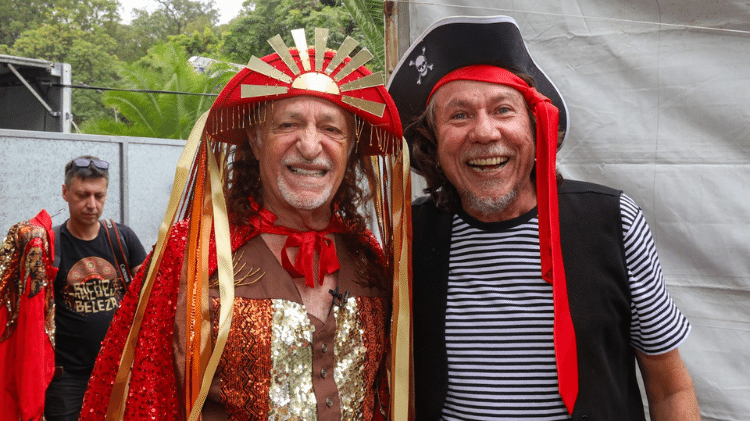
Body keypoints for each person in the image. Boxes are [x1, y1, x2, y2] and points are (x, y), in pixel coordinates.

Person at [80, 27, 408, 420]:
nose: (309, 145)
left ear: (351, 147)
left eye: (331, 128)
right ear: (254, 139)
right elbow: (142, 393)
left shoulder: (371, 257)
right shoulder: (194, 252)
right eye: (287, 125)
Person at [387, 15, 700, 421]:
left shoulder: (613, 223)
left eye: (503, 110)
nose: (484, 133)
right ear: (432, 140)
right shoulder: (410, 236)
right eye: (459, 115)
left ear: (537, 130)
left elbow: (671, 389)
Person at [45, 156, 147, 421]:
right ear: (65, 192)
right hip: (67, 377)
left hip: (118, 370)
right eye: (82, 195)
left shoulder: (122, 237)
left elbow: (150, 294)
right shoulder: (50, 244)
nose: (91, 204)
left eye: (98, 196)